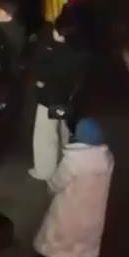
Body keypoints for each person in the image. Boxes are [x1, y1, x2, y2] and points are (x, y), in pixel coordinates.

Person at [24, 118, 112, 257]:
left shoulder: (74, 161)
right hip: (92, 215)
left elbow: (57, 182)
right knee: (83, 254)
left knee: (50, 243)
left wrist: (50, 186)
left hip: (68, 213)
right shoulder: (107, 158)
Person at [31, 12, 88, 181]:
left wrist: (39, 81)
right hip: (69, 98)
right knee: (64, 132)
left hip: (51, 98)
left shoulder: (60, 50)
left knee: (46, 135)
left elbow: (43, 70)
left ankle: (44, 170)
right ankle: (64, 163)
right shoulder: (80, 50)